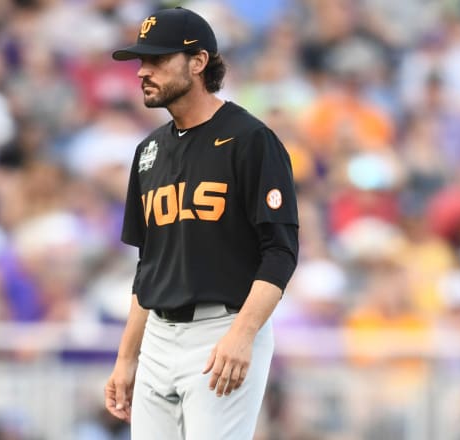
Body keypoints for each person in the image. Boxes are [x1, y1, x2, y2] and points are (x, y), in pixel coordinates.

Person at [104, 7, 299, 440]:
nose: (142, 71)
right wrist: (127, 356)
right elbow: (148, 264)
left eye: (157, 59)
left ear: (198, 62)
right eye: (141, 60)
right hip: (157, 334)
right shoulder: (148, 151)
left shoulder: (251, 140)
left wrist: (242, 334)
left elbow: (281, 252)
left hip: (220, 329)